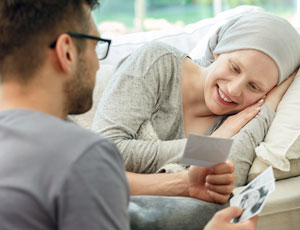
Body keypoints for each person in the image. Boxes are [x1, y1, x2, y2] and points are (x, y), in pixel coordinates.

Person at [0, 0, 255, 229]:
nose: (99, 64)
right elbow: (98, 163)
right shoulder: (82, 154)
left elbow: (98, 179)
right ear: (66, 51)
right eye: (96, 45)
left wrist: (184, 183)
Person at [93, 10, 300, 190]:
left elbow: (220, 195)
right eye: (235, 68)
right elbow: (104, 151)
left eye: (254, 86)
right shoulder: (158, 60)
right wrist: (211, 145)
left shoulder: (238, 120)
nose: (234, 90)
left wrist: (268, 107)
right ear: (219, 51)